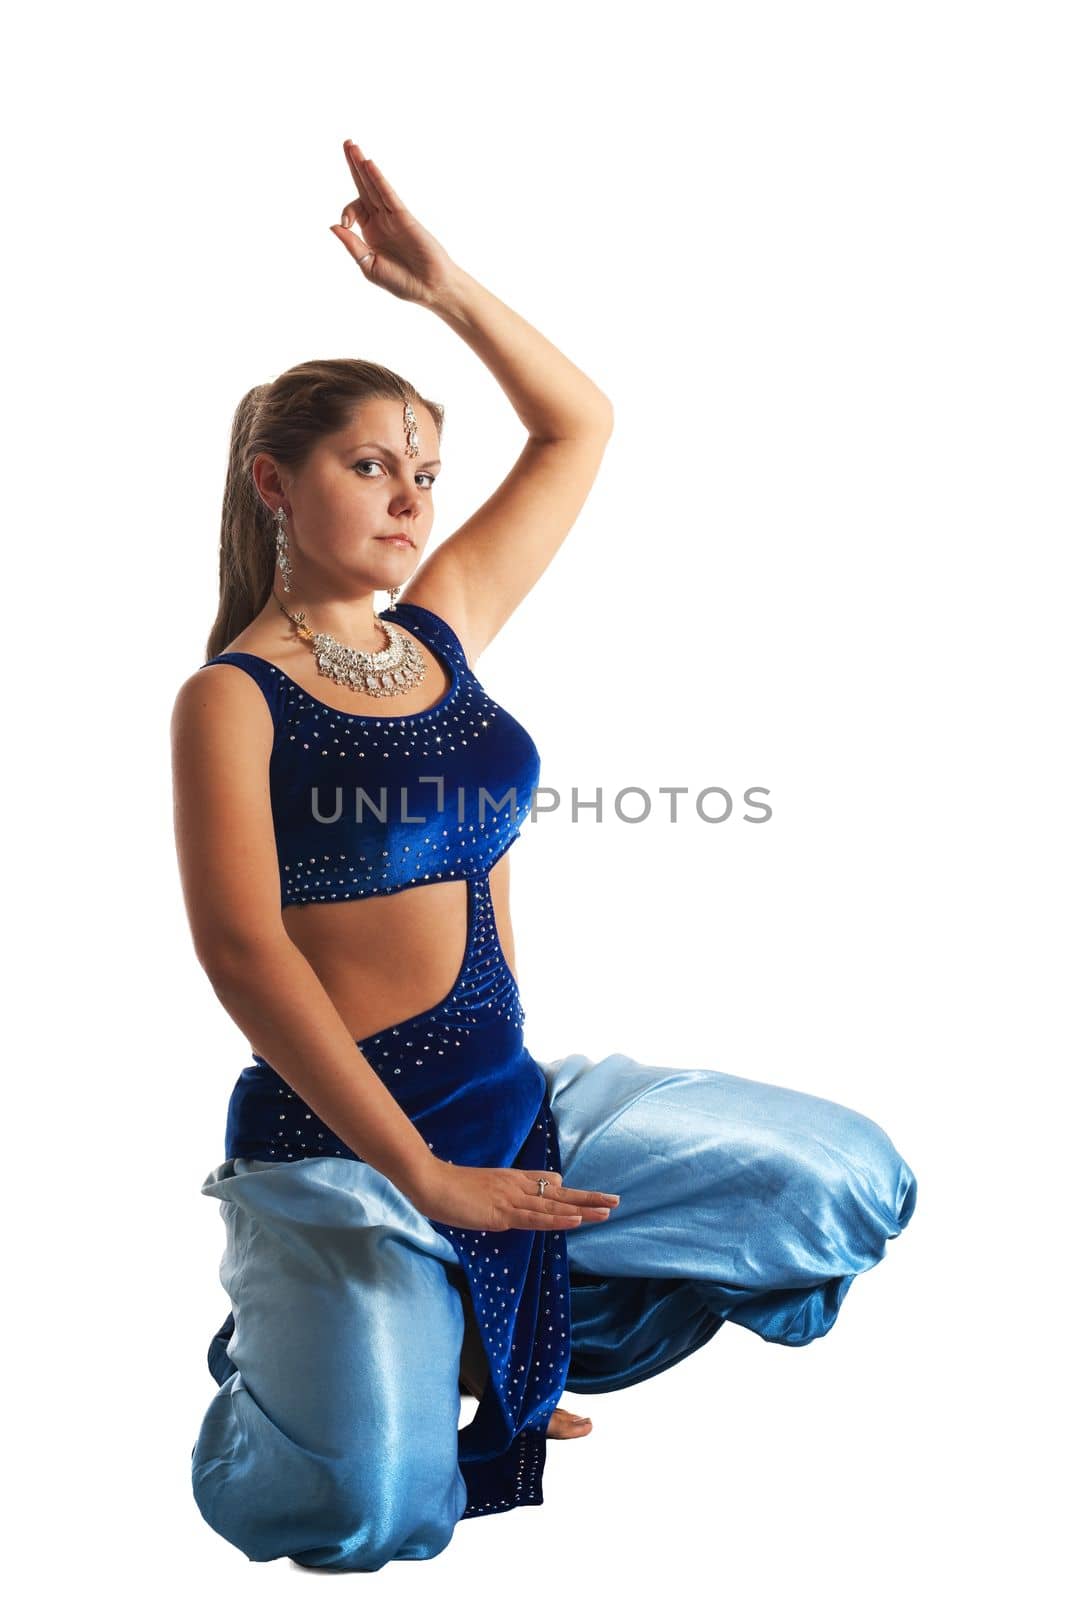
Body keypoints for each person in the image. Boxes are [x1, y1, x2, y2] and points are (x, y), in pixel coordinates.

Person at [172, 137, 918, 1574]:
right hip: (345, 1146)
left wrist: (442, 288)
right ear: (274, 480)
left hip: (510, 1098)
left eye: (428, 472)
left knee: (847, 1186)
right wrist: (424, 1179)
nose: (410, 498)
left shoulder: (442, 627)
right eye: (371, 464)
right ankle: (304, 1327)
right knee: (367, 1514)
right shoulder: (231, 698)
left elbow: (580, 424)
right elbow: (243, 952)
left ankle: (486, 1310)